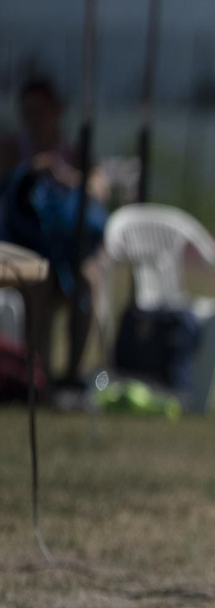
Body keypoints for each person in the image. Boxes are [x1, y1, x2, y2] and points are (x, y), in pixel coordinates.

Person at [0, 75, 107, 395]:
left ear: (57, 111)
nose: (34, 119)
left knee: (89, 278)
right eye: (27, 112)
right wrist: (30, 171)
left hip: (65, 251)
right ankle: (37, 376)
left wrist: (64, 176)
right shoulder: (11, 148)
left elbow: (98, 190)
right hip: (20, 250)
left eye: (40, 111)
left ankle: (72, 373)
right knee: (39, 282)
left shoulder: (73, 153)